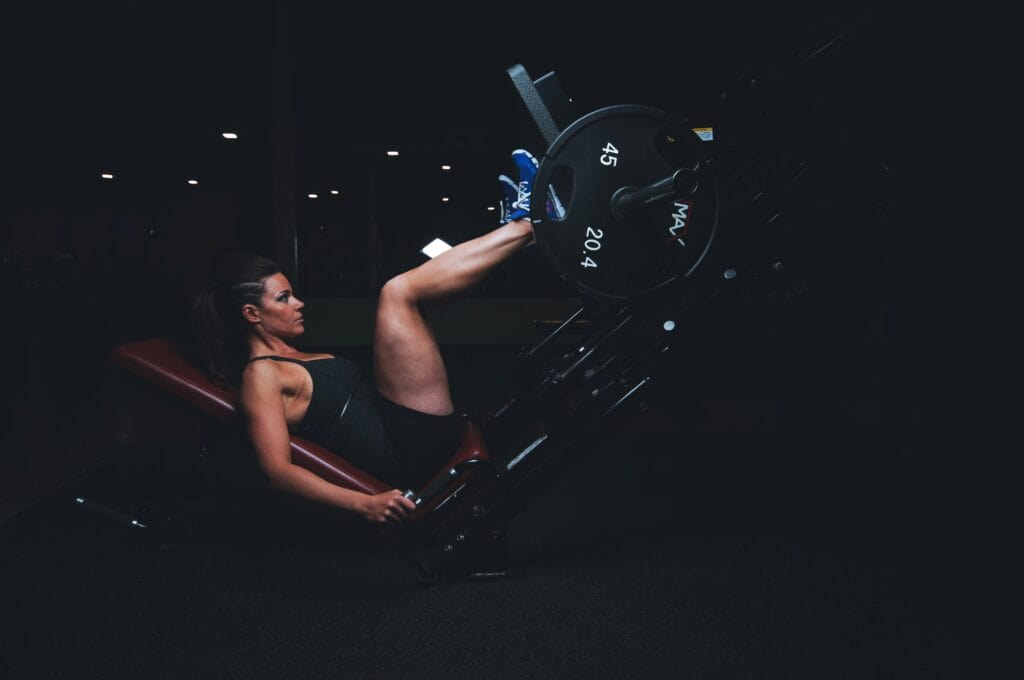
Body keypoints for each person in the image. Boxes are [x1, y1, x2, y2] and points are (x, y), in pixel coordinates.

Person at [193, 149, 553, 526]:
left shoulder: (288, 357)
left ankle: (519, 235)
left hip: (403, 429)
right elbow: (276, 471)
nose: (299, 303)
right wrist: (364, 504)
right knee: (397, 294)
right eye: (283, 298)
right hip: (405, 451)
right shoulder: (260, 376)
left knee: (414, 300)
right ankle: (529, 223)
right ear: (252, 314)